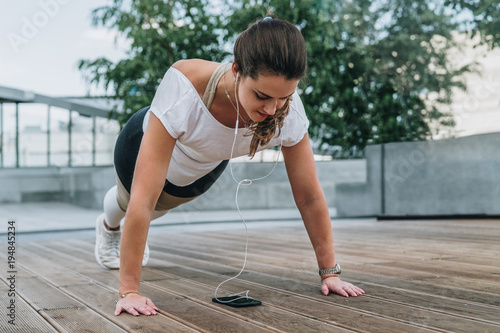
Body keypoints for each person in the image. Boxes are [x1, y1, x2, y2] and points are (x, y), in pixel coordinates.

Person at [94, 14, 365, 317]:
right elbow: (143, 199)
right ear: (237, 70)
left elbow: (309, 196)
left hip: (200, 171)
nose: (272, 108)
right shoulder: (186, 83)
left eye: (283, 97)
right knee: (127, 202)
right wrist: (129, 291)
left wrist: (330, 272)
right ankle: (108, 227)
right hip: (137, 148)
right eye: (261, 95)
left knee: (154, 212)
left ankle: (125, 232)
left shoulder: (290, 112)